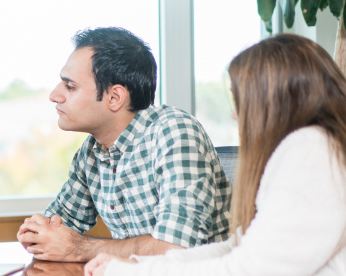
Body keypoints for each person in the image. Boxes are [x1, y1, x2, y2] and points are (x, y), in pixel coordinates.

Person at [85, 34, 346, 276]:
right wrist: (135, 267)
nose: (236, 114)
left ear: (275, 101)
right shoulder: (312, 147)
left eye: (242, 101)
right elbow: (238, 248)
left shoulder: (311, 151)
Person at [18, 27, 230, 262]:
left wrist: (76, 247)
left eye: (70, 86)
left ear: (114, 98)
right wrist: (39, 231)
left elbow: (177, 250)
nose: (54, 95)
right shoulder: (91, 152)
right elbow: (56, 225)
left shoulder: (174, 132)